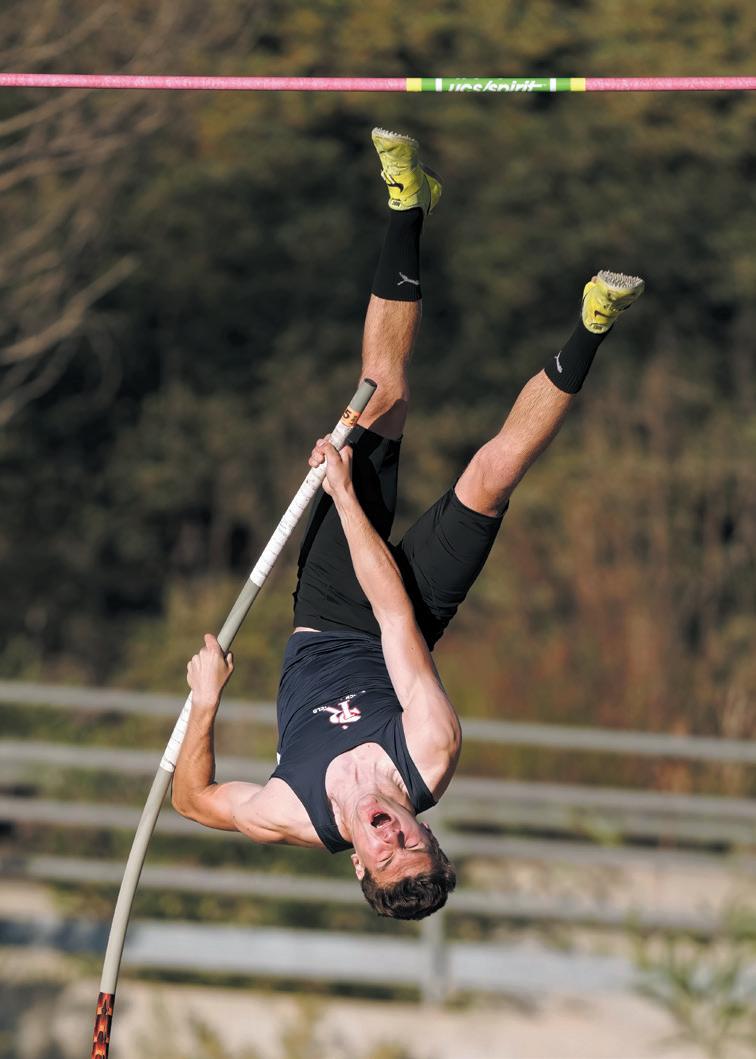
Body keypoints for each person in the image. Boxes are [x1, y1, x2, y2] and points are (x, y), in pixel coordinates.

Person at [172, 128, 644, 920]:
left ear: (360, 863)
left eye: (385, 853)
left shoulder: (292, 813)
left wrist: (207, 701)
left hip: (328, 612)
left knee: (381, 393)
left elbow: (192, 799)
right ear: (428, 831)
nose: (392, 835)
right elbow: (394, 619)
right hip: (407, 618)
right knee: (490, 478)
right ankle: (595, 323)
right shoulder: (430, 750)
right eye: (412, 841)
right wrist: (344, 494)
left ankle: (408, 203)